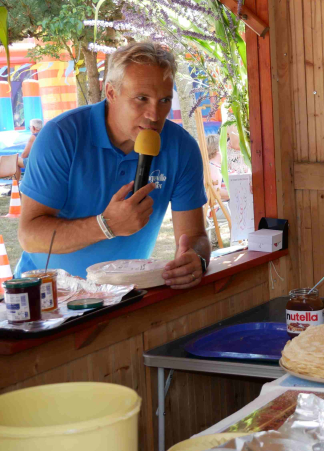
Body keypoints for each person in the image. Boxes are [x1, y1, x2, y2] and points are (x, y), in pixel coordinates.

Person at [17, 41, 210, 288]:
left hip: (126, 294)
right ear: (110, 93)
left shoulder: (181, 147)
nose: (154, 114)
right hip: (50, 297)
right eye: (142, 98)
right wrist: (105, 225)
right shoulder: (62, 136)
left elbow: (194, 237)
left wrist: (196, 260)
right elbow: (29, 235)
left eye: (164, 100)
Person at [205, 134, 229, 202]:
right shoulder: (212, 168)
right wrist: (234, 194)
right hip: (220, 208)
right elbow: (215, 190)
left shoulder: (212, 166)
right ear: (218, 150)